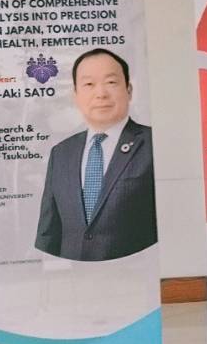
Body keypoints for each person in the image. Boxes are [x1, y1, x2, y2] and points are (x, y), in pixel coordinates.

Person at [35, 48, 157, 261]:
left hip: (134, 272)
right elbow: (48, 232)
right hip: (73, 276)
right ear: (76, 95)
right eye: (89, 84)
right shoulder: (61, 153)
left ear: (128, 90)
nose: (101, 94)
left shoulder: (153, 144)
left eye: (111, 82)